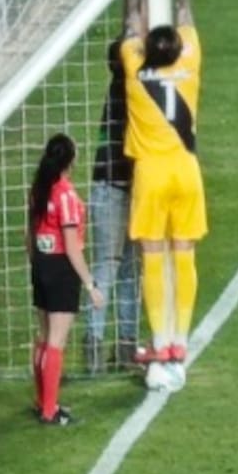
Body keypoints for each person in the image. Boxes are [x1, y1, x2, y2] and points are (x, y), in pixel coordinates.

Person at [120, 0, 205, 392]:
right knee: (184, 253)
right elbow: (185, 6)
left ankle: (159, 340)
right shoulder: (190, 59)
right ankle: (179, 345)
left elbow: (131, 15)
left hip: (151, 172)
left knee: (153, 255)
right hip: (186, 170)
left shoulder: (134, 66)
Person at [28, 133, 103, 425]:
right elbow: (72, 247)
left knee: (44, 337)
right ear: (70, 161)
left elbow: (28, 235)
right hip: (61, 269)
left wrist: (37, 265)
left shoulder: (38, 189)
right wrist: (90, 284)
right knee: (56, 341)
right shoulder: (66, 195)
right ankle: (50, 411)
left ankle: (42, 401)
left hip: (41, 265)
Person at [83, 37, 140, 373]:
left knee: (124, 267)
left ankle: (121, 347)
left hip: (120, 190)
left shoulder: (119, 90)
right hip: (114, 190)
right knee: (113, 266)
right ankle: (100, 344)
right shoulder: (128, 93)